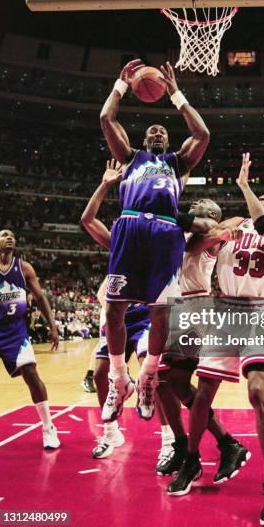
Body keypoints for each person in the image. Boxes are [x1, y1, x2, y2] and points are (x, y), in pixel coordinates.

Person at [167, 153, 264, 527]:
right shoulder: (233, 222)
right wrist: (215, 233)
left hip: (261, 311)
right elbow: (190, 249)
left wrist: (243, 185)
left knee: (257, 391)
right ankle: (192, 461)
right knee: (203, 390)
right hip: (224, 310)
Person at [99, 60, 210, 422]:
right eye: (153, 130)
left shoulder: (178, 163)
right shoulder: (130, 158)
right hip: (130, 228)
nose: (159, 132)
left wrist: (175, 93)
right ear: (145, 140)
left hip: (165, 232)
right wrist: (120, 85)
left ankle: (147, 376)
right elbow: (106, 120)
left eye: (163, 130)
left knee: (160, 312)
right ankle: (120, 378)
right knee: (114, 308)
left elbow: (203, 134)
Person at [81, 159, 173, 460]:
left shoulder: (161, 241)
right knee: (100, 374)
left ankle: (168, 440)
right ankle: (111, 433)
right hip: (119, 315)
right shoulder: (121, 240)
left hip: (145, 318)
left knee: (154, 372)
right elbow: (87, 220)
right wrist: (106, 184)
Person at [156, 199, 250, 482]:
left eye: (203, 203)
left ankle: (208, 447)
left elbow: (193, 244)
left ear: (212, 214)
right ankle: (219, 443)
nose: (196, 201)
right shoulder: (187, 230)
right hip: (174, 306)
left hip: (195, 307)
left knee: (170, 381)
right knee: (167, 383)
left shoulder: (208, 233)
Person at [0, 229, 60, 449]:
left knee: (31, 374)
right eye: (4, 235)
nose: (10, 237)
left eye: (13, 235)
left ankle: (49, 427)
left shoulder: (23, 268)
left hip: (16, 333)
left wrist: (52, 326)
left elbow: (41, 298)